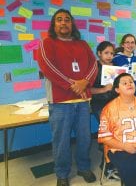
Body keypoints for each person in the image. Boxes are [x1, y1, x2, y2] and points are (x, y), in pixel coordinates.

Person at [37, 9, 97, 186]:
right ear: (54, 24)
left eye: (67, 20)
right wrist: (74, 85)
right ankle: (62, 173)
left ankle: (84, 167)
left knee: (84, 138)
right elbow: (48, 67)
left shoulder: (83, 44)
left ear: (72, 24)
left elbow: (94, 65)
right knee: (61, 141)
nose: (63, 23)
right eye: (59, 20)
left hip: (83, 101)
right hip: (60, 102)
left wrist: (85, 82)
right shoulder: (47, 43)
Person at [90, 41, 120, 180]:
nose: (109, 56)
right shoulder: (94, 68)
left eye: (112, 53)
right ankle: (107, 164)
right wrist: (104, 89)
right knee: (110, 131)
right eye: (106, 53)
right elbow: (87, 89)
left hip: (114, 103)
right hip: (99, 103)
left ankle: (116, 159)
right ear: (99, 53)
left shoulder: (116, 68)